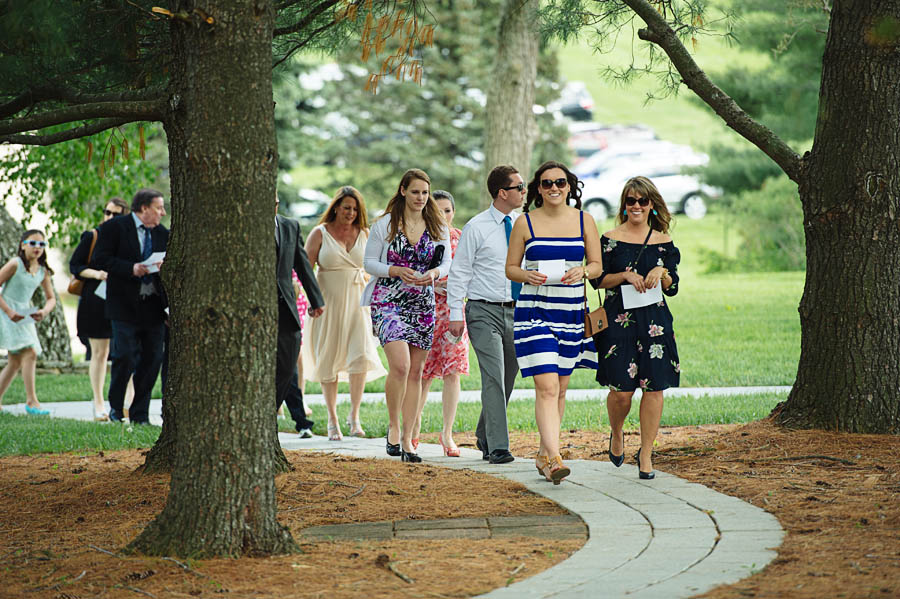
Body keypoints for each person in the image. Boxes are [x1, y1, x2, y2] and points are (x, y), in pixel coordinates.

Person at [506, 161, 601, 483]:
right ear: (539, 189)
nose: (554, 188)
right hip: (533, 312)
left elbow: (597, 264)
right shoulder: (524, 222)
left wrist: (584, 271)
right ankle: (556, 456)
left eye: (560, 182)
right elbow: (511, 269)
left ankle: (544, 455)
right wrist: (526, 275)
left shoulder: (584, 221)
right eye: (547, 184)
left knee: (559, 388)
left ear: (569, 186)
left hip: (571, 312)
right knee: (546, 387)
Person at [591, 176, 680, 480]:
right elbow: (598, 279)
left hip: (655, 322)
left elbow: (672, 287)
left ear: (652, 205)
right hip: (619, 322)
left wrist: (662, 270)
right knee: (622, 393)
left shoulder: (664, 241)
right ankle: (616, 433)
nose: (637, 206)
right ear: (624, 204)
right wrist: (625, 276)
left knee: (654, 388)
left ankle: (646, 452)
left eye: (643, 201)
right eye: (631, 201)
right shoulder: (610, 238)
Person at [362, 168, 451, 463]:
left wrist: (434, 274)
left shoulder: (435, 224)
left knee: (416, 371)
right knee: (399, 366)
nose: (421, 198)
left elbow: (447, 262)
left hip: (422, 302)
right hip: (388, 299)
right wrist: (394, 270)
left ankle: (409, 440)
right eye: (415, 192)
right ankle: (394, 426)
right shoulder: (385, 224)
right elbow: (369, 262)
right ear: (403, 191)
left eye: (425, 193)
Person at [447, 166, 526, 465]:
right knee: (493, 376)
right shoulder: (477, 227)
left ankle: (484, 434)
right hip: (482, 310)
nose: (524, 191)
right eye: (519, 187)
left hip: (517, 311)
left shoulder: (522, 225)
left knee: (507, 378)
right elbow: (460, 272)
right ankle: (498, 448)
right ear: (502, 193)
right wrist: (456, 313)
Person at [302, 186, 386, 440]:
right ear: (336, 207)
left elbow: (374, 268)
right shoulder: (320, 233)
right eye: (346, 207)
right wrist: (311, 301)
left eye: (355, 209)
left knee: (359, 358)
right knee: (329, 357)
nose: (350, 213)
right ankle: (332, 418)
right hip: (326, 305)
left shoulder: (365, 234)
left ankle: (354, 416)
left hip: (358, 304)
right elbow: (306, 270)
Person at [93, 189, 168, 425]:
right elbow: (100, 260)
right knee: (124, 356)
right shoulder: (114, 228)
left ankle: (140, 415)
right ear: (144, 208)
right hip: (124, 307)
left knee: (152, 360)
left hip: (153, 307)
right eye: (159, 208)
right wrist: (131, 268)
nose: (162, 213)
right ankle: (116, 408)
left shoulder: (163, 234)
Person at [69, 197, 135, 421]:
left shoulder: (130, 239)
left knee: (126, 351)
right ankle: (98, 403)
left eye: (116, 214)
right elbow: (75, 266)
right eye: (107, 212)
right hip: (95, 300)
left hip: (122, 300)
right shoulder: (93, 236)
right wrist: (97, 273)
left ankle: (129, 402)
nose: (109, 217)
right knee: (99, 353)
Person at [416, 190, 469, 456]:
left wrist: (454, 288)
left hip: (454, 313)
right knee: (422, 373)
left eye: (448, 210)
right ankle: (413, 427)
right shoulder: (420, 238)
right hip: (425, 310)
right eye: (438, 210)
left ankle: (447, 433)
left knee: (452, 371)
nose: (443, 215)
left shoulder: (461, 239)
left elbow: (469, 273)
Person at [275, 197, 324, 437]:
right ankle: (295, 419)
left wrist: (317, 300)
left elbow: (302, 265)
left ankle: (274, 412)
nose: (273, 205)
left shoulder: (289, 226)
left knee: (288, 364)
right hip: (254, 309)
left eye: (276, 201)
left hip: (286, 307)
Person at [0, 230, 57, 415]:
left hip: (25, 314)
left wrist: (43, 311)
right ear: (23, 244)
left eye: (41, 245)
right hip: (6, 312)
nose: (37, 248)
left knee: (15, 361)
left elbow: (51, 298)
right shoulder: (15, 264)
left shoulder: (42, 271)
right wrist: (9, 312)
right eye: (33, 243)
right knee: (30, 352)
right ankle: (32, 401)